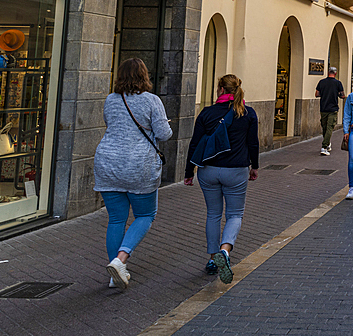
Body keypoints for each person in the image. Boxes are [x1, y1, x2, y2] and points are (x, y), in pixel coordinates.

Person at [93, 58, 173, 290]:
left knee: (116, 219)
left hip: (108, 163)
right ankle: (120, 260)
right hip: (139, 165)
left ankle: (114, 273)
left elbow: (111, 123)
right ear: (144, 76)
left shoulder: (111, 99)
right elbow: (164, 134)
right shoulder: (152, 100)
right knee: (145, 215)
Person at [184, 74, 259, 284]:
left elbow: (195, 144)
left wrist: (189, 172)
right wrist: (255, 167)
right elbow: (253, 144)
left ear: (220, 89)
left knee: (213, 214)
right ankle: (225, 251)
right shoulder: (248, 113)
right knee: (235, 214)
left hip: (208, 171)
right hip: (236, 170)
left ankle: (211, 259)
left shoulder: (206, 113)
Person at [315, 66, 345, 156]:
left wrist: (324, 94)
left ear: (328, 72)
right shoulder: (338, 83)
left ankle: (327, 143)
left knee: (324, 127)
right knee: (329, 128)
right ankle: (324, 147)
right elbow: (342, 95)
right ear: (335, 73)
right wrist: (337, 94)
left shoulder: (321, 82)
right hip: (333, 108)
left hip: (323, 108)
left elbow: (317, 94)